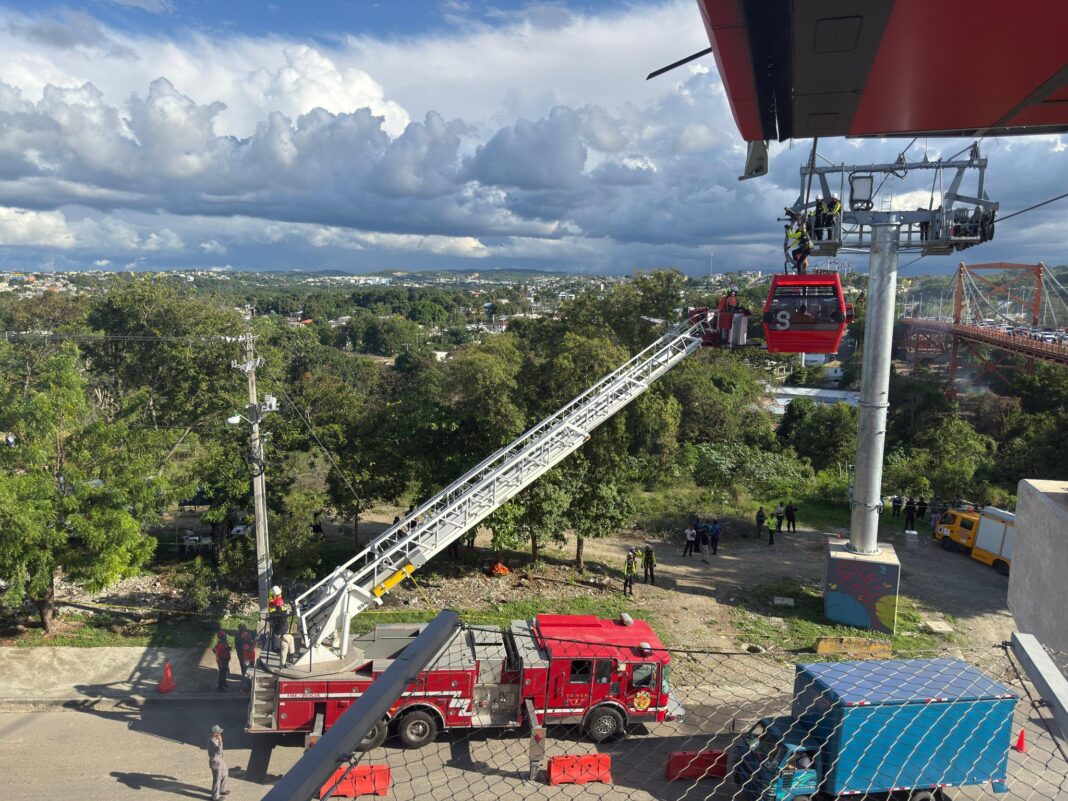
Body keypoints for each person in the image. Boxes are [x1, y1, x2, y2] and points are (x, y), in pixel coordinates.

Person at [207, 724, 228, 801]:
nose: (220, 733)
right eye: (218, 732)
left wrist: (219, 741)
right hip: (215, 761)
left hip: (220, 759)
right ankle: (215, 797)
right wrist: (221, 742)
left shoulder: (216, 739)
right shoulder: (211, 742)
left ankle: (222, 790)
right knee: (217, 778)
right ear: (214, 733)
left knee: (225, 773)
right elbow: (218, 751)